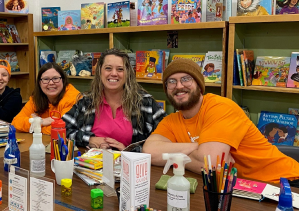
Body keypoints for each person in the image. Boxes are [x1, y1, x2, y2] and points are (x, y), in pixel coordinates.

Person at [143, 58, 299, 184]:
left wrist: (175, 156)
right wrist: (197, 148)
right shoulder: (171, 121)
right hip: (241, 189)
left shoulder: (221, 107)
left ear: (199, 84)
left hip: (285, 182)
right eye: (171, 81)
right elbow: (149, 151)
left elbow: (209, 164)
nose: (179, 86)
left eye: (186, 79)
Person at [63, 49, 166, 150]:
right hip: (90, 165)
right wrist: (89, 139)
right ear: (99, 71)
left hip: (130, 165)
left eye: (120, 69)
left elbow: (166, 137)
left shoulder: (145, 103)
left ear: (127, 74)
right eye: (108, 68)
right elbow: (61, 130)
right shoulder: (87, 102)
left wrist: (129, 150)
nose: (114, 73)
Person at [11, 62, 80, 135]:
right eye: (46, 79)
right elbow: (15, 123)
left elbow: (61, 130)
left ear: (63, 80)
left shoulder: (72, 98)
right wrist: (41, 121)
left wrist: (35, 124)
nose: (51, 83)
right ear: (39, 83)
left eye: (55, 78)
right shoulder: (37, 98)